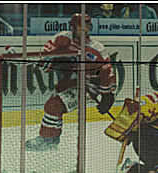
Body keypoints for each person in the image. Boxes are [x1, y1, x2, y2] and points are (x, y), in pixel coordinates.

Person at [26, 13, 116, 150]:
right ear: (72, 27)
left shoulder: (97, 49)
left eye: (87, 26)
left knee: (54, 105)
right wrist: (57, 60)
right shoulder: (61, 39)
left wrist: (107, 95)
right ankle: (52, 139)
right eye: (80, 26)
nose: (84, 30)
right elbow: (43, 61)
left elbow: (107, 72)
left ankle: (48, 139)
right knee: (55, 106)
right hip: (71, 81)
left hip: (88, 86)